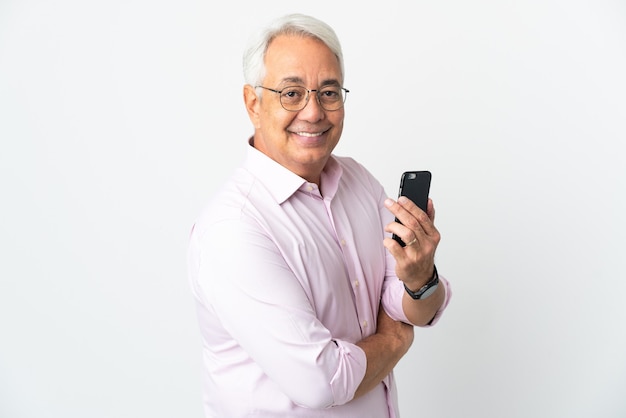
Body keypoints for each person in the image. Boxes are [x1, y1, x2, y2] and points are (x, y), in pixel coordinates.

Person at [187, 13, 452, 418]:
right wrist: (396, 340)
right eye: (291, 93)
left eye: (328, 92)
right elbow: (322, 380)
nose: (313, 112)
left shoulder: (358, 182)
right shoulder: (233, 230)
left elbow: (411, 304)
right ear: (253, 103)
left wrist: (420, 279)